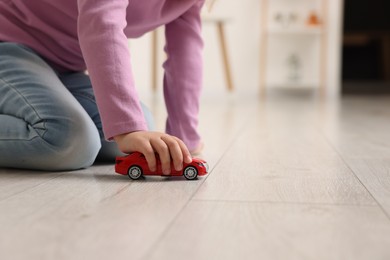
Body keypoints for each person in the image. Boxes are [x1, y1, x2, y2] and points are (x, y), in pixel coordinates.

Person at [0, 0, 205, 173]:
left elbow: (186, 52)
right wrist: (128, 128)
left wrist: (184, 138)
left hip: (64, 69)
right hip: (7, 45)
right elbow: (102, 20)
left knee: (142, 131)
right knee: (67, 138)